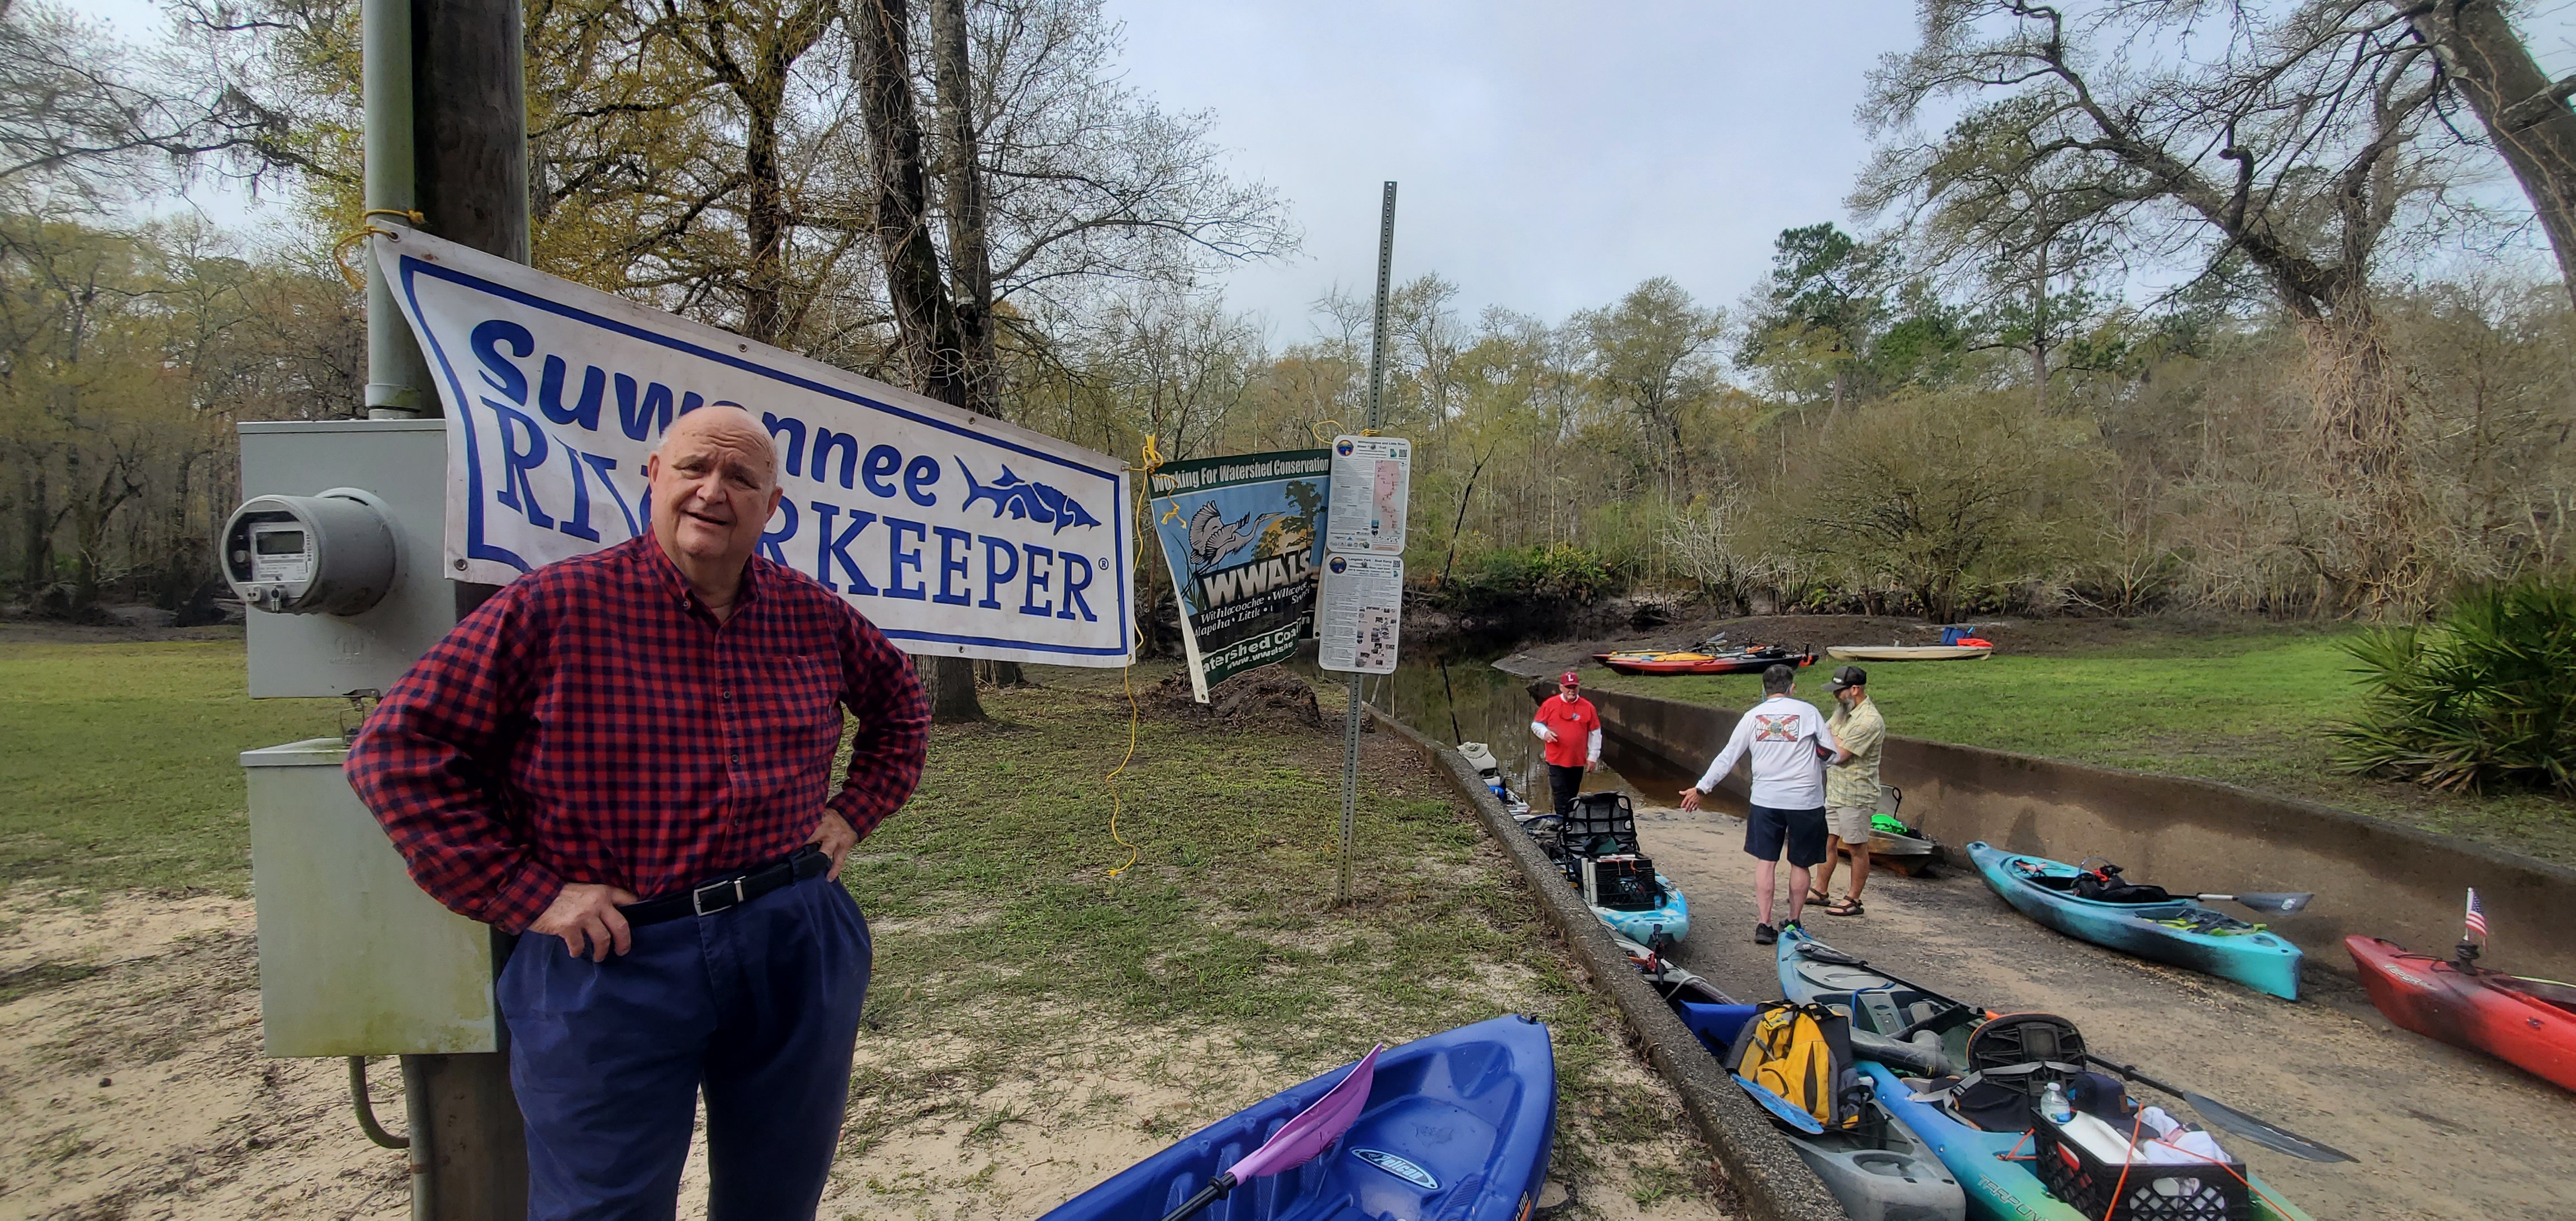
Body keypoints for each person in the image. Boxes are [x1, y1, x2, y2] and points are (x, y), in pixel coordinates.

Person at [345, 404, 932, 1220]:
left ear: (774, 505)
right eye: (694, 468)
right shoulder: (554, 608)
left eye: (741, 478)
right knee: (603, 1209)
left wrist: (854, 812)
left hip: (793, 941)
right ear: (653, 476)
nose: (712, 491)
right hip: (613, 959)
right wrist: (531, 896)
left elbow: (903, 709)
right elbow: (396, 751)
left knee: (777, 1198)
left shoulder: (811, 612)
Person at [1678, 663, 1843, 944]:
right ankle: (1793, 922)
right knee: (1800, 864)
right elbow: (1831, 755)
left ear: (1764, 690)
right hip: (1805, 800)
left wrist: (1702, 788)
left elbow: (1728, 756)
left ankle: (1764, 925)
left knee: (1766, 861)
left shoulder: (1752, 717)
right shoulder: (1809, 713)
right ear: (1792, 688)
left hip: (1766, 800)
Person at [1809, 665, 1885, 917]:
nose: (1835, 696)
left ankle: (1854, 899)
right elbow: (1823, 735)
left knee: (1855, 846)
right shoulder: (1843, 713)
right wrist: (1830, 738)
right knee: (1827, 841)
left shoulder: (1869, 720)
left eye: (1839, 691)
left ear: (1854, 689)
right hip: (1836, 791)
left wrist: (1830, 739)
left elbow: (1839, 754)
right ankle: (1820, 890)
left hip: (1857, 794)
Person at [1530, 670, 1602, 817]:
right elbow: (1536, 725)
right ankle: (1562, 823)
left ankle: (1569, 821)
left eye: (1574, 687)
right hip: (1556, 760)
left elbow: (1595, 733)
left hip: (1577, 761)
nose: (1571, 690)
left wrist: (1593, 757)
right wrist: (1546, 733)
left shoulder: (1588, 707)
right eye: (1568, 687)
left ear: (1579, 688)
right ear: (1561, 687)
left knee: (1572, 795)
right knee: (1560, 794)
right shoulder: (1550, 704)